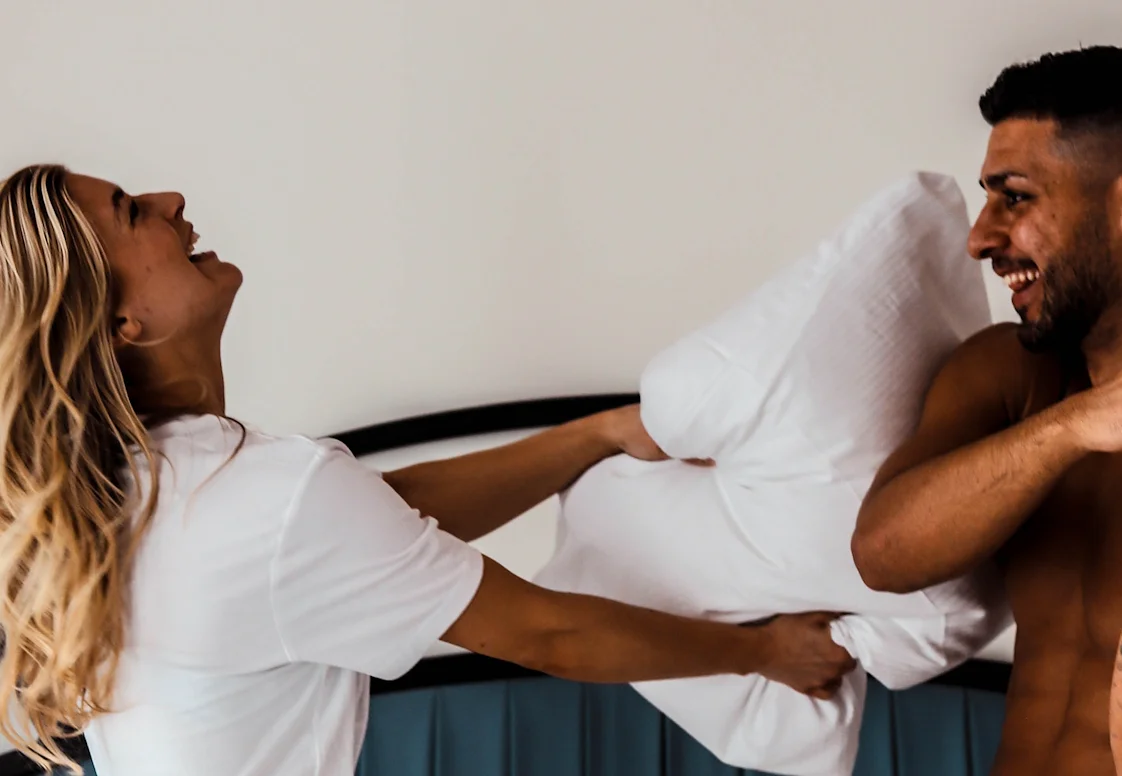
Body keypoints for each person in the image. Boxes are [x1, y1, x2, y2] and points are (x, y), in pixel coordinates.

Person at [0, 164, 856, 775]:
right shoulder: (261, 499)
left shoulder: (144, 493)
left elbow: (380, 515)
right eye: (131, 211)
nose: (171, 200)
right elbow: (548, 634)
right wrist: (765, 651)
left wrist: (595, 436)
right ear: (121, 324)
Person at [850, 46, 1122, 775]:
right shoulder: (1017, 378)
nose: (980, 238)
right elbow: (883, 554)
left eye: (1015, 198)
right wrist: (1076, 424)